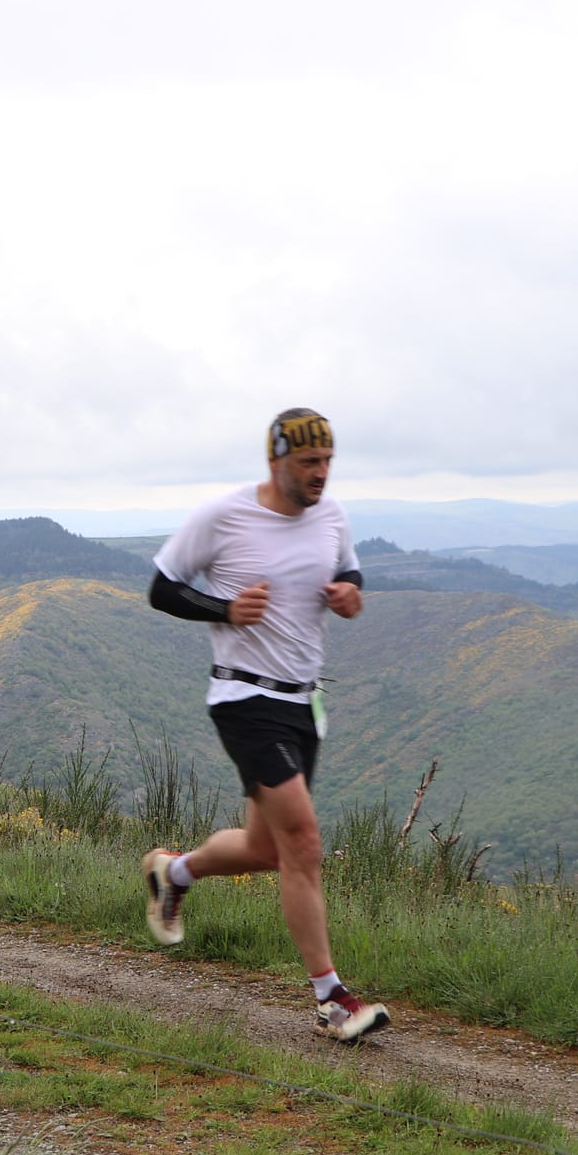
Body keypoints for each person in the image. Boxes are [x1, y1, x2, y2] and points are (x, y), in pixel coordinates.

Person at [142, 407, 390, 1042]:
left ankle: (170, 874)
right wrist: (223, 607)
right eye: (309, 462)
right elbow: (163, 588)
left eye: (329, 462)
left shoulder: (330, 516)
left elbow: (348, 567)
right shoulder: (225, 516)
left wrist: (350, 593)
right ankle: (333, 1000)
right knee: (304, 844)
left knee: (264, 850)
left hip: (304, 703)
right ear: (275, 460)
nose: (321, 474)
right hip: (243, 698)